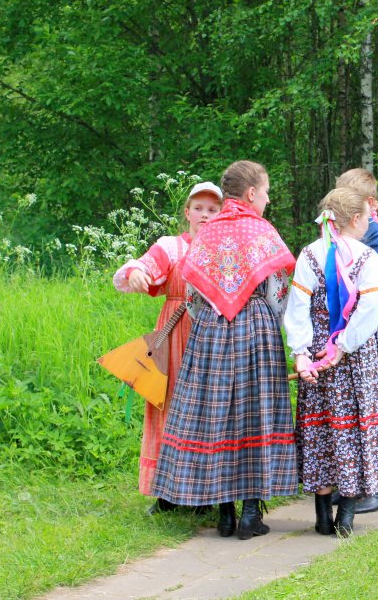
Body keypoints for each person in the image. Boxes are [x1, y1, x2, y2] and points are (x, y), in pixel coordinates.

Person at [151, 161, 297, 540]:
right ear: (251, 194)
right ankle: (251, 513)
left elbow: (193, 289)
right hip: (257, 329)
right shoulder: (261, 230)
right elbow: (278, 288)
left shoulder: (208, 232)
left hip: (212, 331)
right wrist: (273, 322)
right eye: (265, 192)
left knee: (217, 416)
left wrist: (211, 319)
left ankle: (225, 514)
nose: (266, 200)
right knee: (254, 414)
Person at [285, 187, 378, 537]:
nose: (370, 223)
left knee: (321, 429)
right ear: (354, 219)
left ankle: (323, 517)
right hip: (355, 357)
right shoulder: (367, 257)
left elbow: (298, 308)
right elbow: (368, 310)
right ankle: (345, 517)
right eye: (368, 217)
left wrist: (303, 353)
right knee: (354, 428)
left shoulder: (309, 253)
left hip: (319, 352)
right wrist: (343, 347)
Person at [113, 181, 223, 513]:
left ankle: (204, 493)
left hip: (213, 337)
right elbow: (144, 266)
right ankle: (167, 494)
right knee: (168, 408)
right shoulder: (172, 246)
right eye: (199, 208)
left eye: (212, 209)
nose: (205, 215)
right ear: (187, 212)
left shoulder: (225, 248)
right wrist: (135, 273)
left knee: (208, 409)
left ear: (221, 213)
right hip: (175, 334)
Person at [332, 168, 378, 514]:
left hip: (369, 325)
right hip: (342, 326)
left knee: (372, 404)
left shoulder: (377, 236)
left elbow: (374, 287)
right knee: (349, 409)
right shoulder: (337, 235)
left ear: (368, 204)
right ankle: (352, 483)